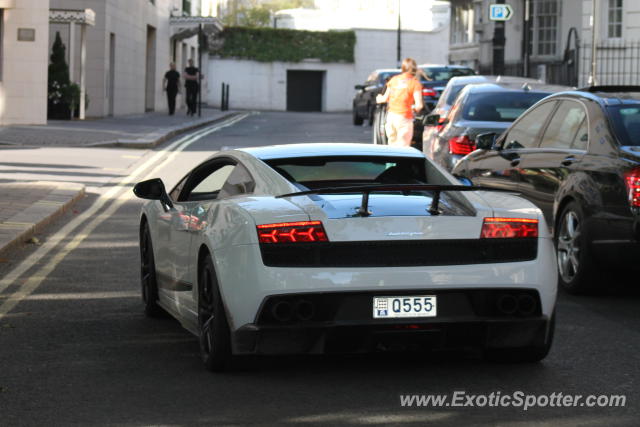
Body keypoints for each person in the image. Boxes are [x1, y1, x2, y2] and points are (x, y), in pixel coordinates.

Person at [376, 58, 424, 147]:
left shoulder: (394, 80)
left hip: (391, 117)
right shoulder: (414, 83)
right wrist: (413, 108)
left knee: (392, 147)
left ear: (403, 68)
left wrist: (378, 98)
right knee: (403, 149)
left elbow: (384, 98)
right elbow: (419, 105)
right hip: (404, 118)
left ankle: (390, 161)